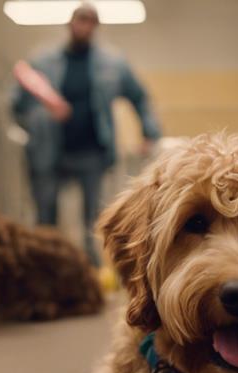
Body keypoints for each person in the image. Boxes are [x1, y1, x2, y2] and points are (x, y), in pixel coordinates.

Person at [12, 3, 161, 265]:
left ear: (97, 27)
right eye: (81, 19)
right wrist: (41, 117)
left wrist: (149, 132)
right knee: (45, 217)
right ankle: (46, 270)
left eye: (91, 21)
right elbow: (16, 104)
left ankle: (92, 273)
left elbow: (140, 98)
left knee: (94, 221)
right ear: (69, 23)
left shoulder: (113, 64)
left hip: (93, 152)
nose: (85, 25)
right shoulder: (42, 61)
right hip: (50, 153)